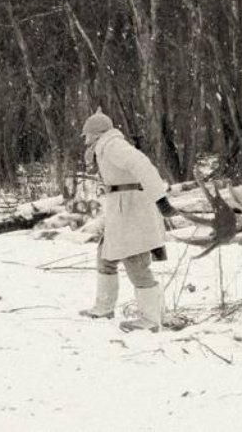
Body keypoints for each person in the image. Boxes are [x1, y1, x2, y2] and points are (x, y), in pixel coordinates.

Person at [78, 107, 179, 332]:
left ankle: (151, 319)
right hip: (121, 209)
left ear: (96, 133)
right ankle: (104, 307)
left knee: (135, 263)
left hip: (132, 211)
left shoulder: (114, 146)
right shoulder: (104, 146)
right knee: (105, 257)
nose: (85, 140)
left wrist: (160, 199)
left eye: (87, 135)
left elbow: (143, 166)